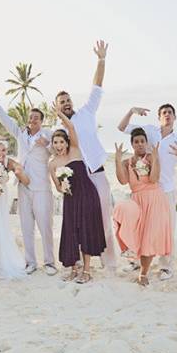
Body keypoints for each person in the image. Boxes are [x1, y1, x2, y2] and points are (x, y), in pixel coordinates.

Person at [54, 40, 116, 271]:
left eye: (68, 100)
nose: (67, 103)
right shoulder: (56, 131)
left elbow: (97, 85)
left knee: (103, 219)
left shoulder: (87, 111)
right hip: (76, 179)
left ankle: (109, 263)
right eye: (62, 102)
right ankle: (78, 262)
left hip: (97, 174)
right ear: (56, 107)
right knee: (76, 223)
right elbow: (56, 156)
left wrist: (101, 60)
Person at [117, 104, 177, 280]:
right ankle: (137, 261)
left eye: (170, 113)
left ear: (174, 117)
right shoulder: (150, 131)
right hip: (143, 191)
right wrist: (131, 111)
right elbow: (122, 128)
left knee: (166, 229)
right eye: (164, 113)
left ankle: (166, 266)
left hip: (165, 190)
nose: (167, 115)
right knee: (140, 228)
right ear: (159, 117)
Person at [0, 84, 57, 276]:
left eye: (36, 118)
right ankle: (30, 262)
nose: (33, 120)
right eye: (31, 117)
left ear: (42, 121)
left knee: (45, 225)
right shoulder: (21, 134)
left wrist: (48, 144)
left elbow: (58, 149)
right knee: (26, 226)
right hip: (23, 184)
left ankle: (50, 262)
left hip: (41, 186)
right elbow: (6, 120)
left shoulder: (47, 135)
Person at [49, 109, 107, 284]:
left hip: (88, 195)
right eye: (55, 142)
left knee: (86, 231)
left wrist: (61, 116)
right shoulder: (52, 164)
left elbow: (72, 128)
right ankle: (74, 269)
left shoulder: (75, 150)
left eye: (61, 142)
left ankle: (87, 270)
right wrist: (63, 187)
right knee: (71, 232)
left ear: (67, 143)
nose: (58, 145)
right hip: (70, 199)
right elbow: (57, 188)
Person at [112, 129, 172, 286]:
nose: (139, 144)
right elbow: (123, 181)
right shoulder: (128, 162)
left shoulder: (151, 158)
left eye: (142, 141)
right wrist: (118, 160)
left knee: (148, 239)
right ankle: (131, 255)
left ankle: (143, 273)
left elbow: (154, 179)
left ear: (146, 143)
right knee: (133, 229)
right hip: (137, 200)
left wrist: (156, 158)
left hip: (154, 199)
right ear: (132, 144)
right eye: (136, 141)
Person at [0, 137, 29, 279]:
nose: (0, 153)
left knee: (0, 225)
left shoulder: (8, 161)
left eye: (3, 150)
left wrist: (19, 170)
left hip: (1, 197)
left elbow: (21, 173)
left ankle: (0, 258)